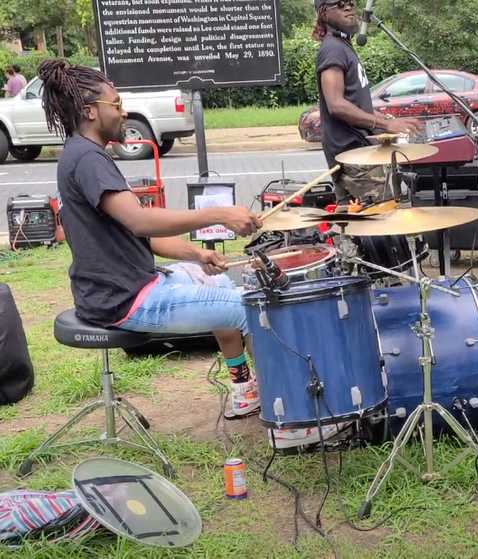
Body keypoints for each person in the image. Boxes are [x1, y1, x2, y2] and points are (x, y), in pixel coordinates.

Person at [38, 61, 264, 418]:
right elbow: (139, 220)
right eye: (116, 104)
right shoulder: (87, 159)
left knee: (216, 279)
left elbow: (131, 234)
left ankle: (243, 390)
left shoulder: (82, 153)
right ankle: (286, 407)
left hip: (126, 287)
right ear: (90, 111)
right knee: (251, 307)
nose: (123, 111)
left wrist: (194, 254)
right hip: (124, 300)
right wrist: (220, 214)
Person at [313, 0, 421, 203]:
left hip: (356, 152)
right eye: (340, 4)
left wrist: (388, 123)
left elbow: (356, 104)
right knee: (381, 218)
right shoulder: (333, 49)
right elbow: (336, 105)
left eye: (351, 3)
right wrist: (386, 124)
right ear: (324, 14)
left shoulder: (342, 46)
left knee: (354, 222)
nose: (348, 7)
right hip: (352, 155)